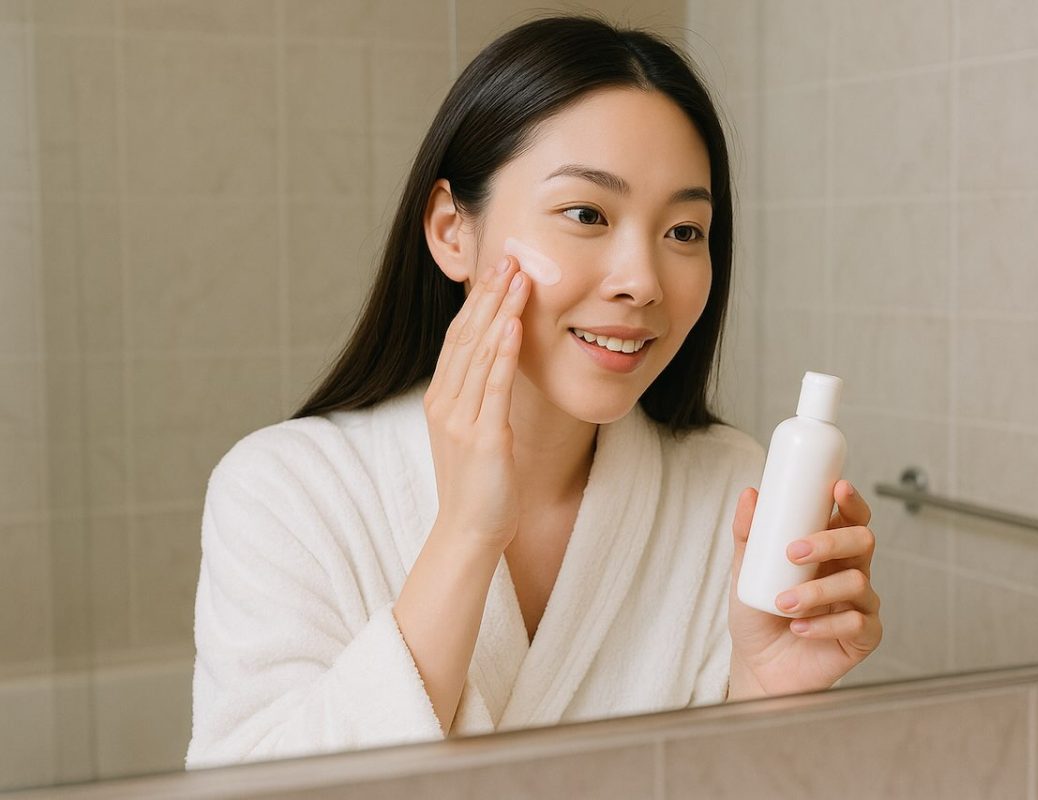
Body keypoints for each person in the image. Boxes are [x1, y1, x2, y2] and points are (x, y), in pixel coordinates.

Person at [185, 14, 882, 770]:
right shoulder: (284, 492)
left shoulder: (733, 494)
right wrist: (464, 537)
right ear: (453, 230)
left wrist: (762, 692)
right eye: (586, 214)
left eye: (684, 231)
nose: (642, 281)